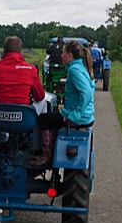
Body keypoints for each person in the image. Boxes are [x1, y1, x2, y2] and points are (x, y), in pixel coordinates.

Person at [29, 40, 95, 168]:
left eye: (63, 53)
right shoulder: (82, 67)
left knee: (43, 119)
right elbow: (89, 90)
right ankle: (53, 148)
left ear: (69, 55)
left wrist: (74, 115)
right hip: (86, 116)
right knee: (54, 117)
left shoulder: (74, 70)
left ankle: (46, 156)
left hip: (78, 118)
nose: (61, 55)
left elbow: (87, 93)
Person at [0, 36, 45, 105]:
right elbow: (40, 96)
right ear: (21, 52)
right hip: (23, 111)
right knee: (43, 102)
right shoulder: (30, 69)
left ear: (4, 51)